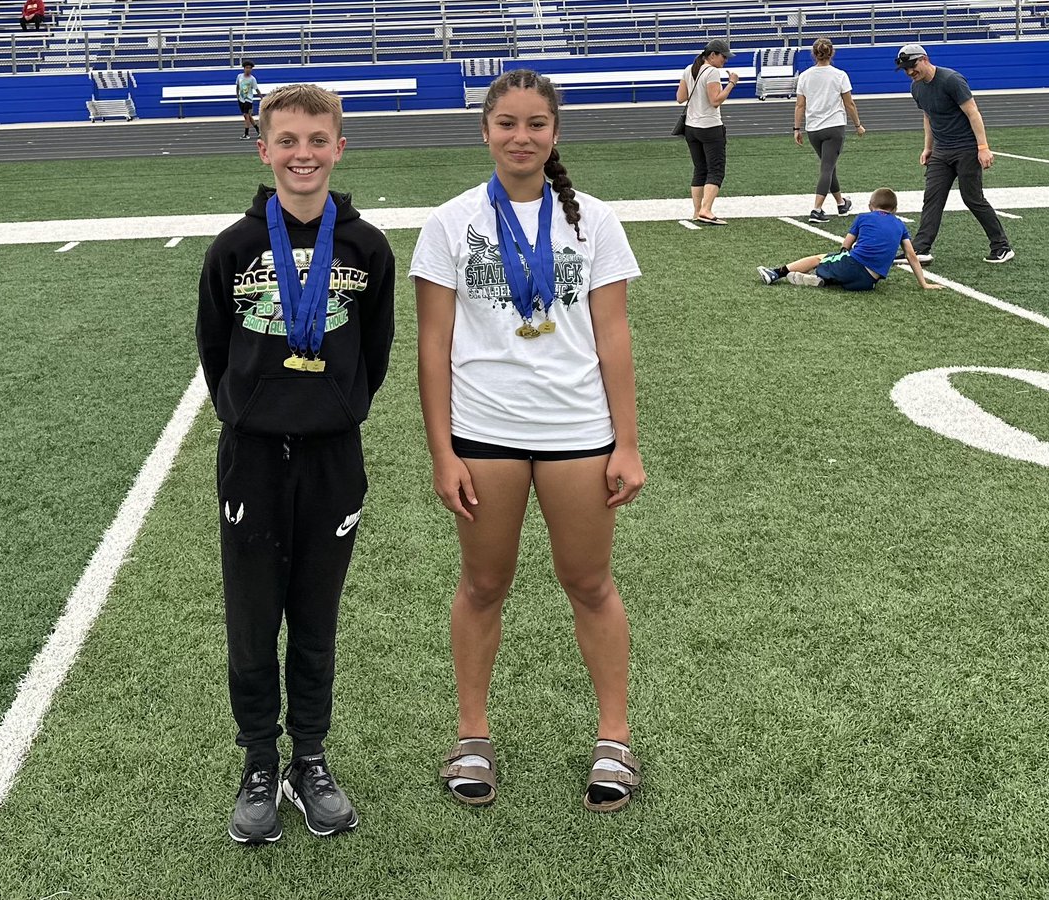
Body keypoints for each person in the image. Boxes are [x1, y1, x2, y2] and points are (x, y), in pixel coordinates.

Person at [411, 69, 646, 814]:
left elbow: (613, 336)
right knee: (484, 585)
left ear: (555, 132)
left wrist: (627, 442)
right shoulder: (450, 222)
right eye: (507, 123)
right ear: (485, 131)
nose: (522, 137)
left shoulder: (595, 221)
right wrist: (442, 452)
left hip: (579, 431)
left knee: (590, 583)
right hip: (485, 433)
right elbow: (432, 346)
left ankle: (614, 736)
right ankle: (471, 735)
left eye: (536, 123)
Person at [197, 84, 395, 843]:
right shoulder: (232, 248)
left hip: (333, 457)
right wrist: (252, 409)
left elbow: (374, 352)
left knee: (316, 616)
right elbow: (215, 350)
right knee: (253, 619)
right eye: (287, 141)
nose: (302, 154)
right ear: (264, 150)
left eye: (317, 140)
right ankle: (258, 760)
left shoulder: (366, 247)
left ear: (339, 147)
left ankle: (308, 758)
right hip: (252, 458)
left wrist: (336, 406)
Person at [896, 43, 1014, 264]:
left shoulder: (951, 80)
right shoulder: (916, 88)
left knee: (973, 198)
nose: (910, 72)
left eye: (912, 66)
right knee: (932, 197)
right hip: (941, 151)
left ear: (924, 59)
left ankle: (1002, 246)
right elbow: (928, 116)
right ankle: (921, 249)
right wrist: (928, 147)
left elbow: (973, 112)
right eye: (906, 69)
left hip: (966, 149)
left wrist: (983, 147)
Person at [757, 187, 942, 292]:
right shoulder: (900, 225)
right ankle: (822, 279)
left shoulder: (863, 217)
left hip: (854, 266)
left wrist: (841, 256)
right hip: (869, 283)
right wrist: (924, 284)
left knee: (820, 258)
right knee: (840, 268)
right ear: (894, 209)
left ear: (870, 206)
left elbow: (846, 246)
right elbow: (911, 255)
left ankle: (776, 273)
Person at [794, 37, 865, 223]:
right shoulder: (839, 75)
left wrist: (796, 128)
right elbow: (849, 103)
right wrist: (857, 124)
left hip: (813, 128)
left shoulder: (805, 76)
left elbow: (800, 105)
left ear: (814, 54)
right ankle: (816, 209)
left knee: (829, 165)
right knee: (827, 167)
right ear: (831, 53)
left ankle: (841, 203)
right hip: (834, 126)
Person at [676, 39, 739, 225]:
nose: (725, 60)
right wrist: (731, 84)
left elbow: (680, 97)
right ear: (712, 55)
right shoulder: (711, 72)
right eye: (723, 57)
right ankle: (706, 209)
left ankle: (697, 211)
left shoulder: (689, 69)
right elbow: (715, 101)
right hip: (710, 126)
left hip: (691, 127)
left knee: (700, 169)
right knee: (716, 169)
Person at [236, 60, 263, 141]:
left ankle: (246, 134)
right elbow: (237, 86)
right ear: (244, 68)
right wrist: (237, 95)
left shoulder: (252, 79)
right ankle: (259, 131)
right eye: (247, 68)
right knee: (248, 116)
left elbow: (256, 89)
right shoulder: (239, 76)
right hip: (241, 99)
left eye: (250, 68)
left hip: (248, 100)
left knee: (247, 116)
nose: (248, 69)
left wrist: (261, 98)